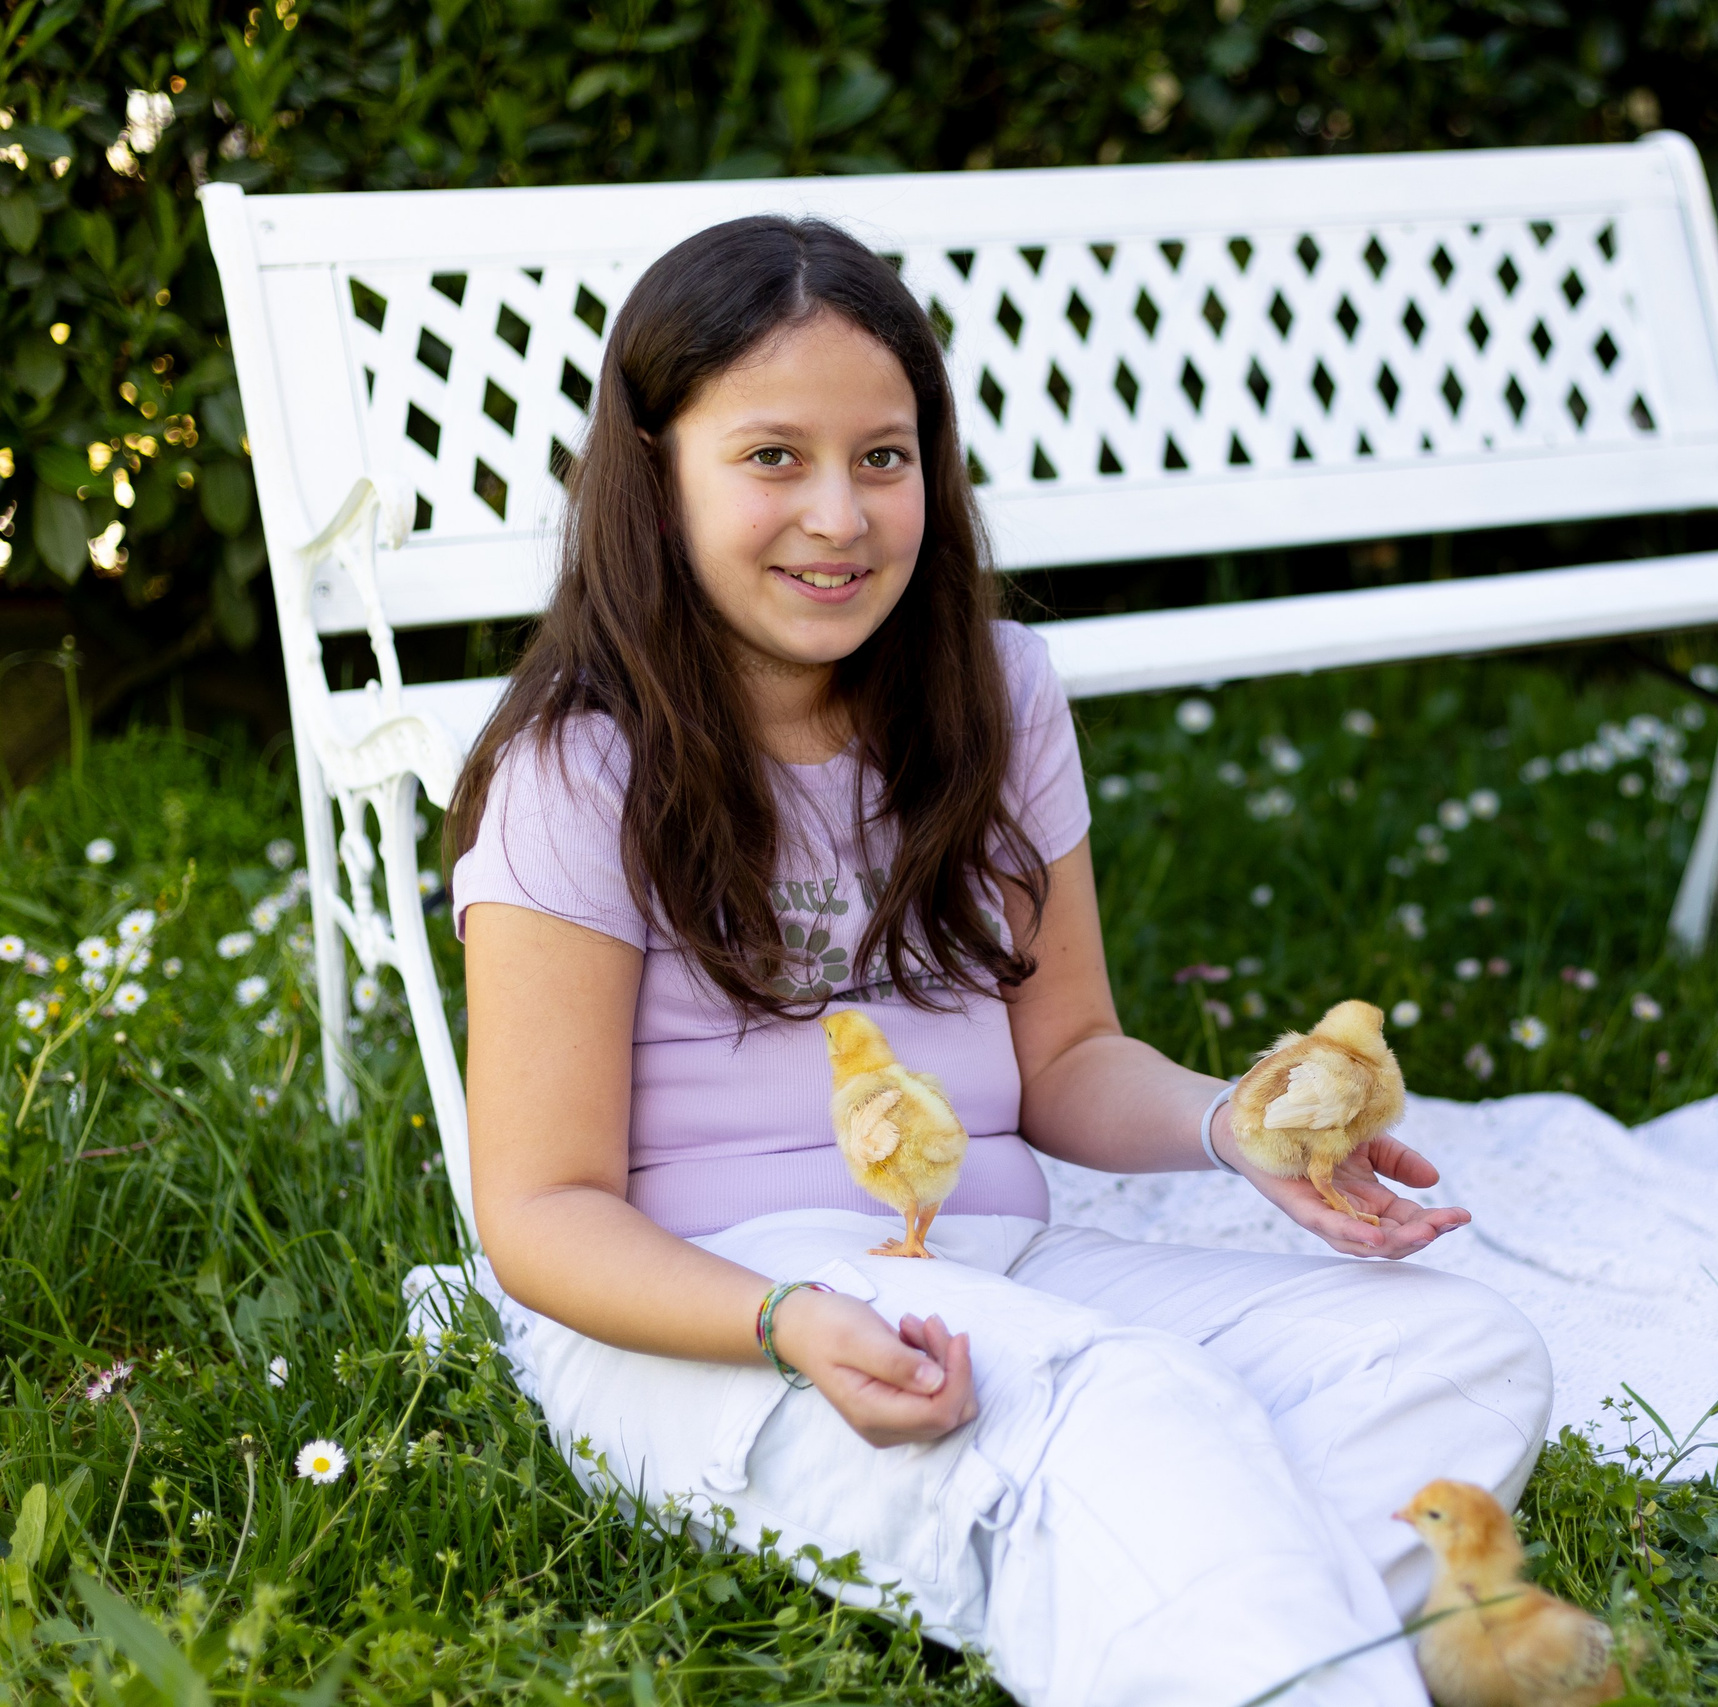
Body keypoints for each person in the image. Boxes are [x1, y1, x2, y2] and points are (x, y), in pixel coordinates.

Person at [446, 215, 1553, 1707]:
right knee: (1140, 1407)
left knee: (1455, 1355)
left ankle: (1155, 1612)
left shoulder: (997, 691)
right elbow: (536, 1211)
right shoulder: (575, 770)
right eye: (773, 456)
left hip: (995, 1265)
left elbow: (1067, 1063)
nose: (839, 515)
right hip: (712, 1314)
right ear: (655, 474)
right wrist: (785, 1326)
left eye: (884, 458)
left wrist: (1233, 1126)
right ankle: (1208, 1609)